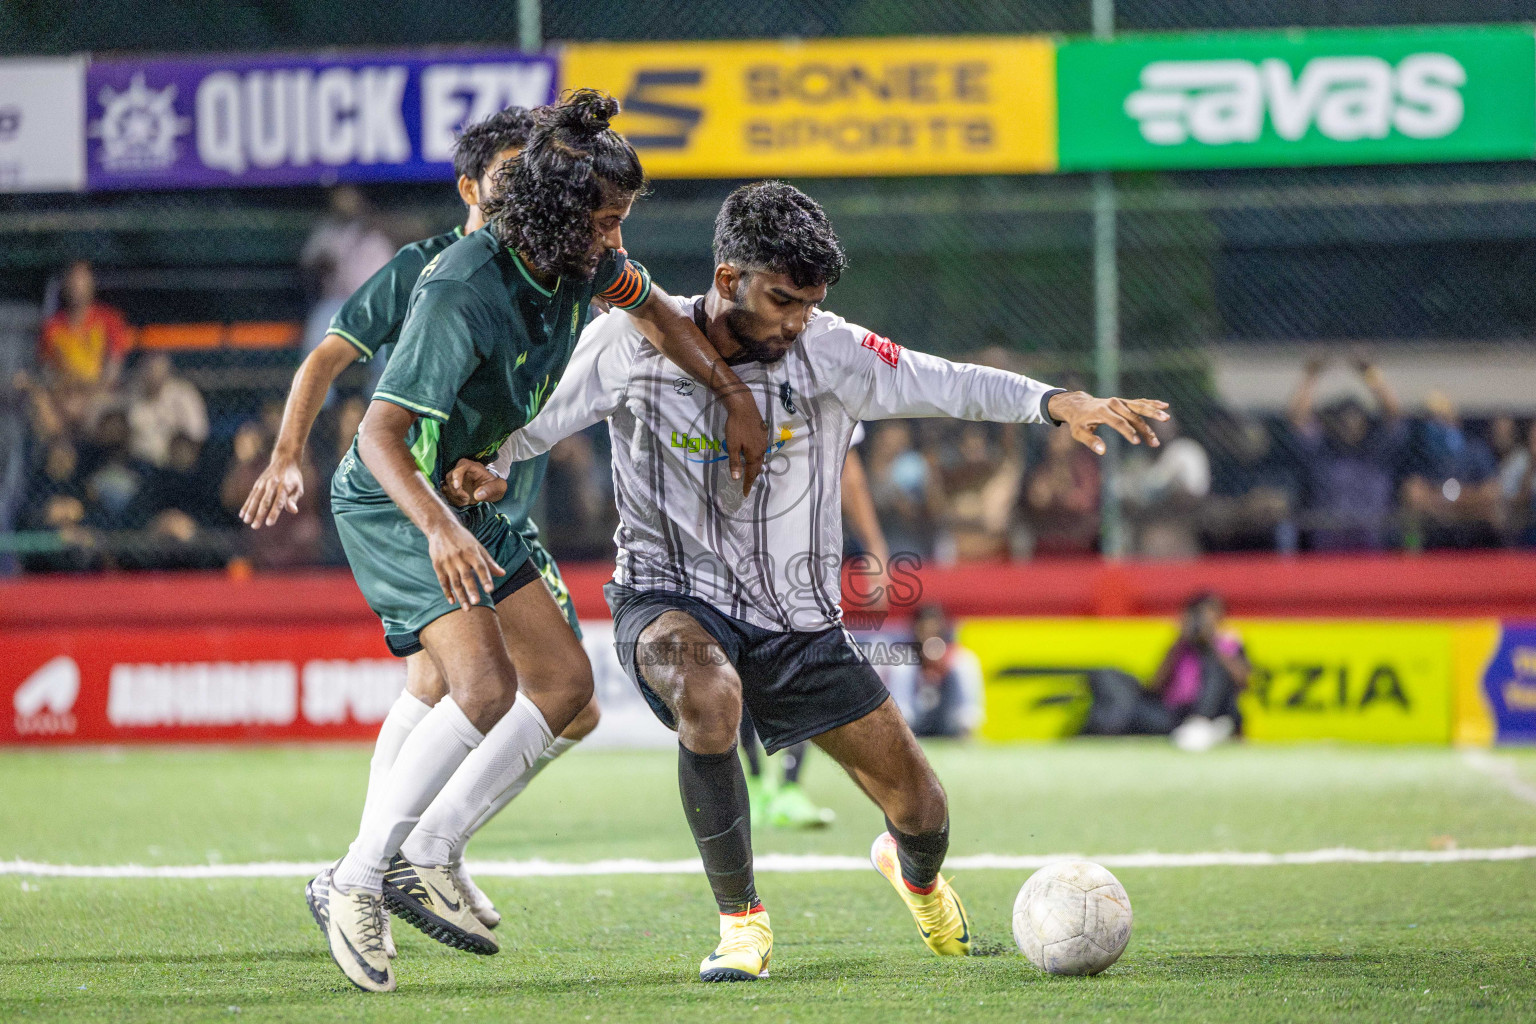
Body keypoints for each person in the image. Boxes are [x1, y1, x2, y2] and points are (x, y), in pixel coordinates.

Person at [466, 180, 1166, 982]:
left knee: (923, 811)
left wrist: (1056, 402)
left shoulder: (831, 350)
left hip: (798, 625)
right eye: (784, 300)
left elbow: (950, 382)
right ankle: (742, 924)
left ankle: (915, 875)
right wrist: (482, 462)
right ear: (728, 279)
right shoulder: (628, 342)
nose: (798, 320)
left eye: (811, 303)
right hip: (666, 595)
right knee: (707, 691)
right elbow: (533, 422)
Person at [305, 92, 769, 994]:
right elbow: (380, 436)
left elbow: (661, 317)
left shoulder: (582, 263)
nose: (617, 239)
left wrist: (734, 396)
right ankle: (354, 881)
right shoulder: (462, 288)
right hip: (396, 500)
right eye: (606, 220)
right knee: (479, 686)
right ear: (557, 213)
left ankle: (429, 849)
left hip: (463, 493)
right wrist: (439, 529)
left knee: (564, 685)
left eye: (621, 218)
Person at [244, 108, 582, 942]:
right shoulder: (432, 271)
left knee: (505, 692)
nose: (526, 189)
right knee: (467, 686)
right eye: (507, 175)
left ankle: (412, 853)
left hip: (494, 502)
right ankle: (386, 861)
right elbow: (328, 358)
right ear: (470, 188)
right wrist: (287, 453)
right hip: (427, 502)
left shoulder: (556, 267)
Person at [1288, 357, 1407, 551]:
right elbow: (1299, 420)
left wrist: (1370, 373)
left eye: (1355, 418)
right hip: (1328, 548)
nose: (1349, 424)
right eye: (1343, 419)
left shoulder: (1378, 453)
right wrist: (1312, 375)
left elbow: (1395, 416)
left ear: (1365, 423)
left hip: (1372, 547)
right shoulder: (1322, 455)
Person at [37, 261, 133, 430]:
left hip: (101, 397)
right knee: (40, 402)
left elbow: (113, 372)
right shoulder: (52, 327)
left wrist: (87, 396)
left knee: (109, 412)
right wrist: (64, 393)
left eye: (82, 281)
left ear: (91, 285)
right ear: (65, 286)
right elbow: (47, 372)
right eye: (73, 282)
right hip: (64, 397)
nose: (77, 288)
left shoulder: (110, 320)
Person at [885, 605, 985, 739]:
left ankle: (965, 733)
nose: (928, 635)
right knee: (901, 665)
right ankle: (901, 735)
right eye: (923, 630)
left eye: (933, 630)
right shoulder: (905, 659)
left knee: (965, 662)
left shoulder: (956, 658)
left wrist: (942, 668)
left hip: (947, 721)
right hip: (914, 725)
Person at [126, 352, 207, 468]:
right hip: (136, 465)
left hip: (174, 467)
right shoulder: (129, 395)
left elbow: (197, 436)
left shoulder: (184, 394)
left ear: (168, 372)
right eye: (149, 370)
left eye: (158, 371)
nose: (153, 376)